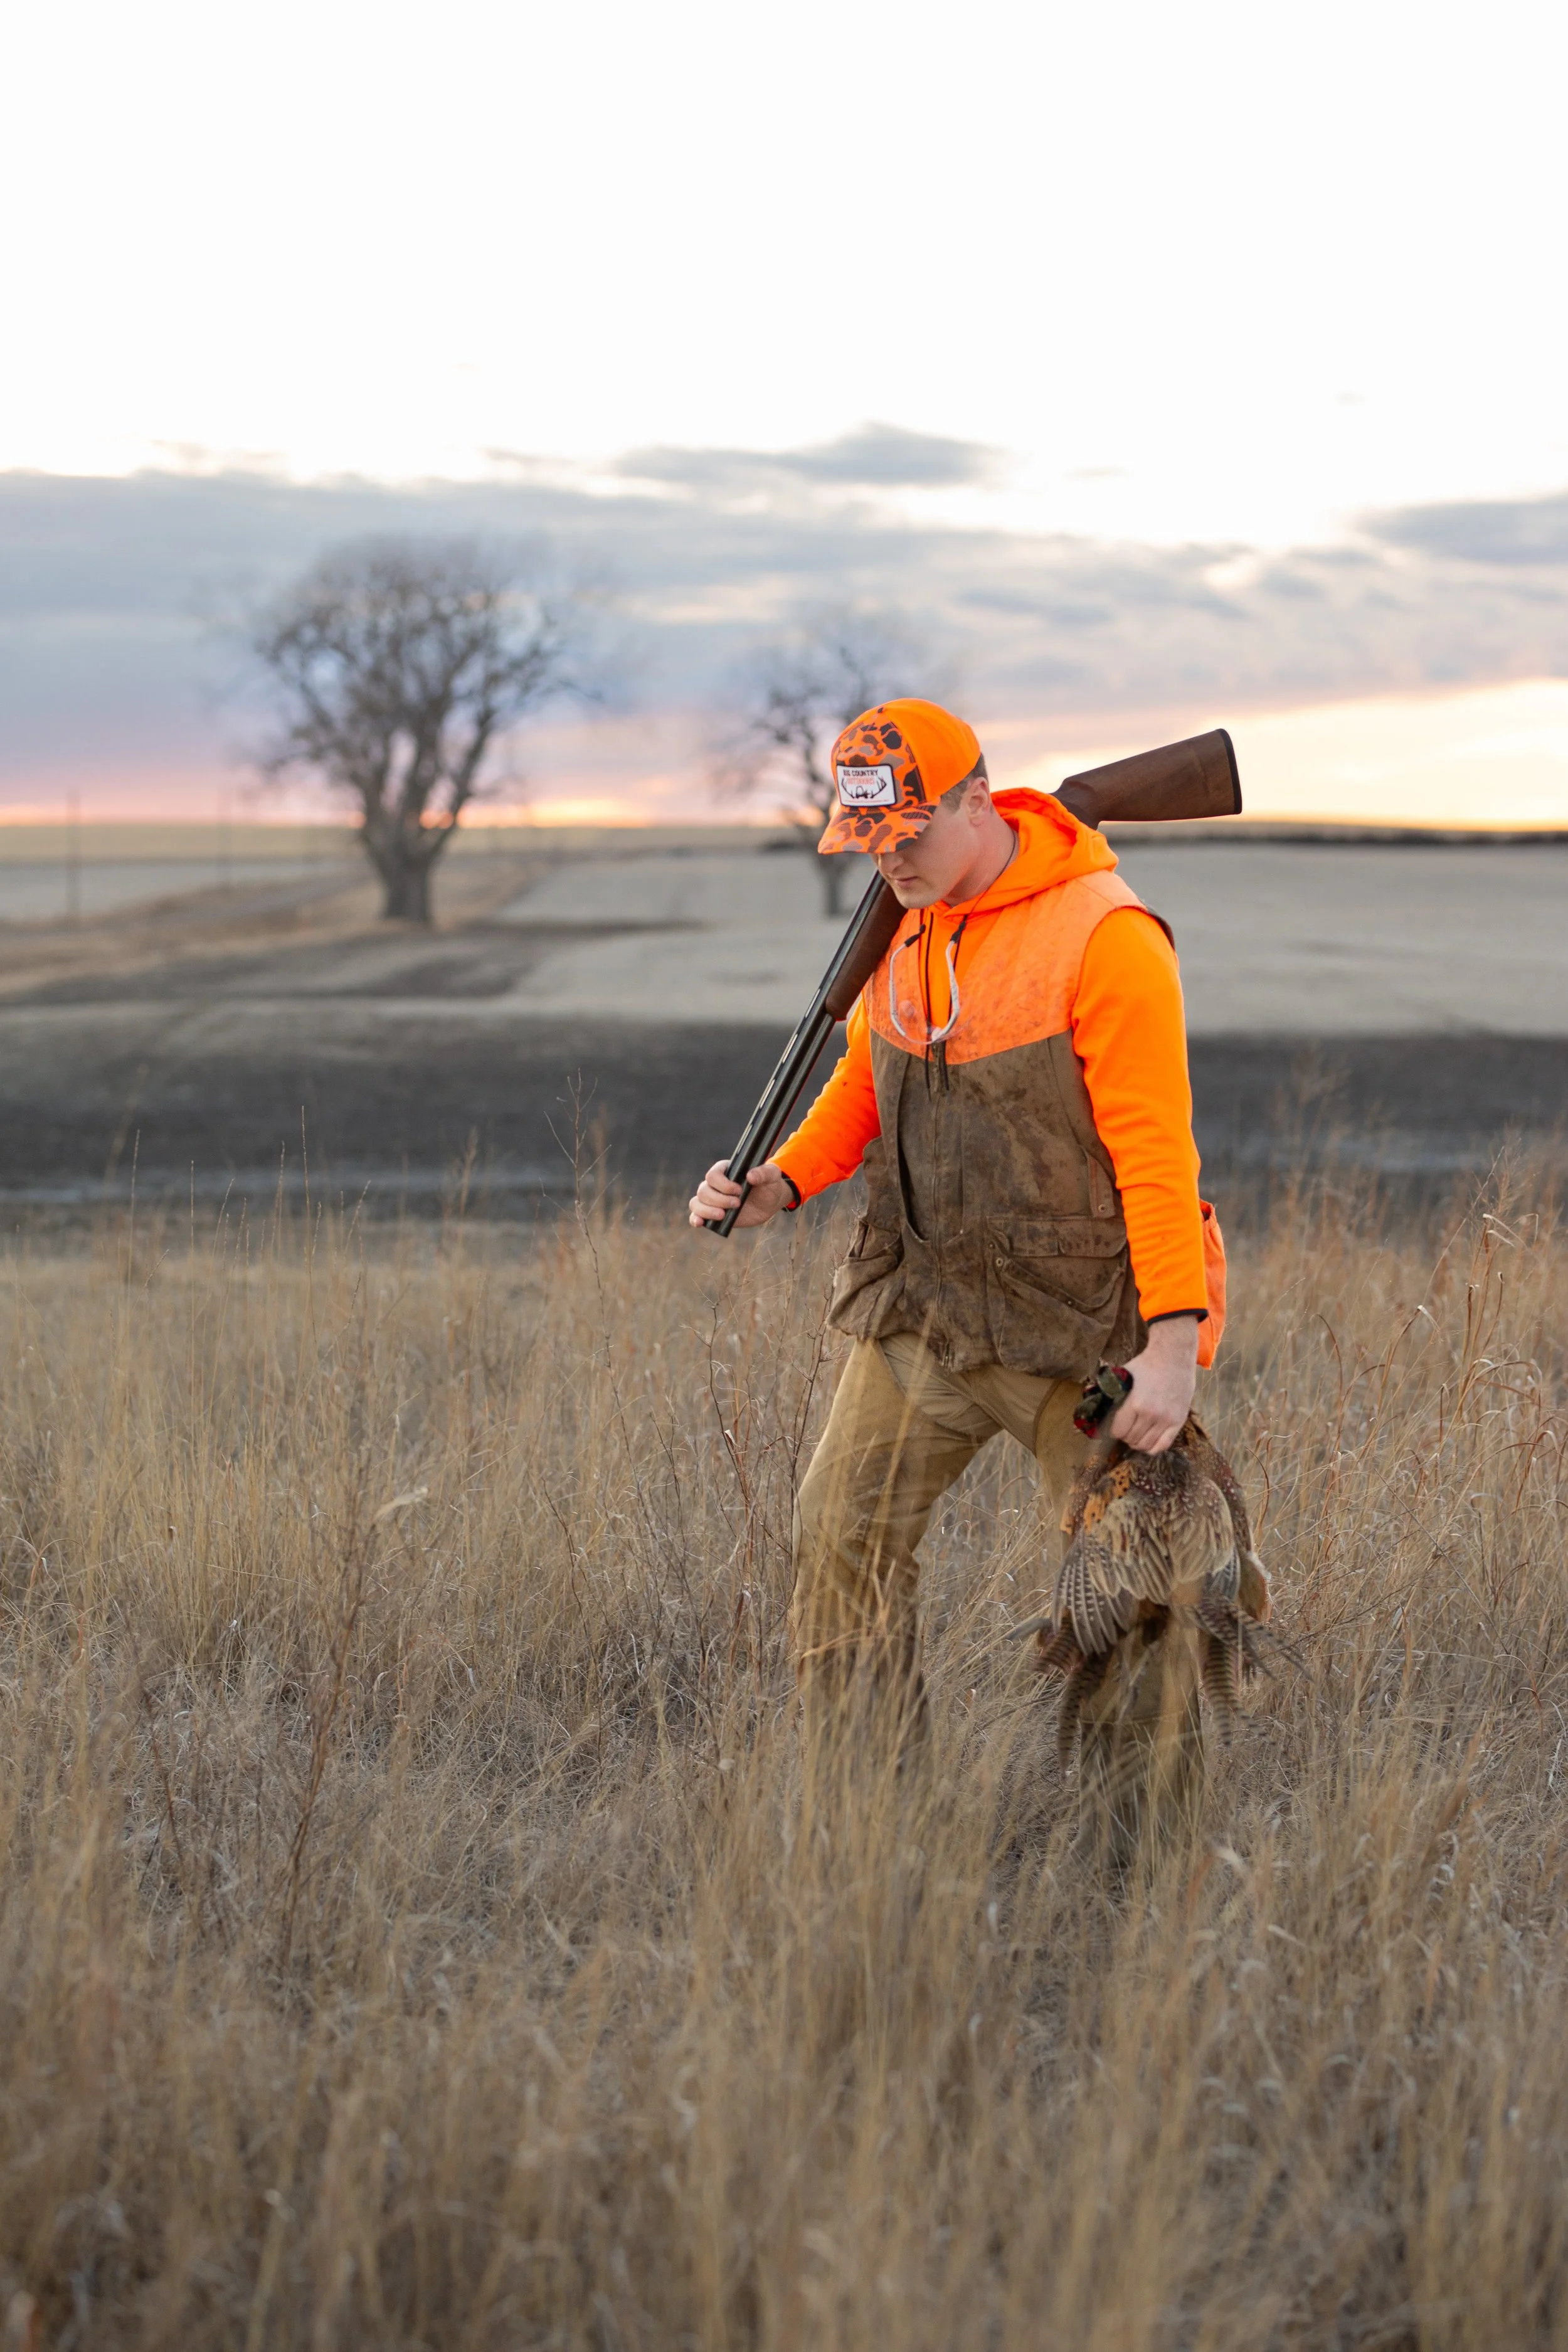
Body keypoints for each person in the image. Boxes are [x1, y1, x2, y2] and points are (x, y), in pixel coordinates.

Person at [688, 699, 1226, 1835]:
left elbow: (1158, 1154)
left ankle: (1148, 1848)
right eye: (870, 842)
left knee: (1127, 1592)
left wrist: (1172, 1350)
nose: (891, 860)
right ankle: (869, 1812)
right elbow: (865, 1083)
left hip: (1079, 1332)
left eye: (911, 836)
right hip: (924, 1308)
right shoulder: (902, 925)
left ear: (979, 801)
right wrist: (779, 1183)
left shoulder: (1105, 936)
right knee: (837, 1535)